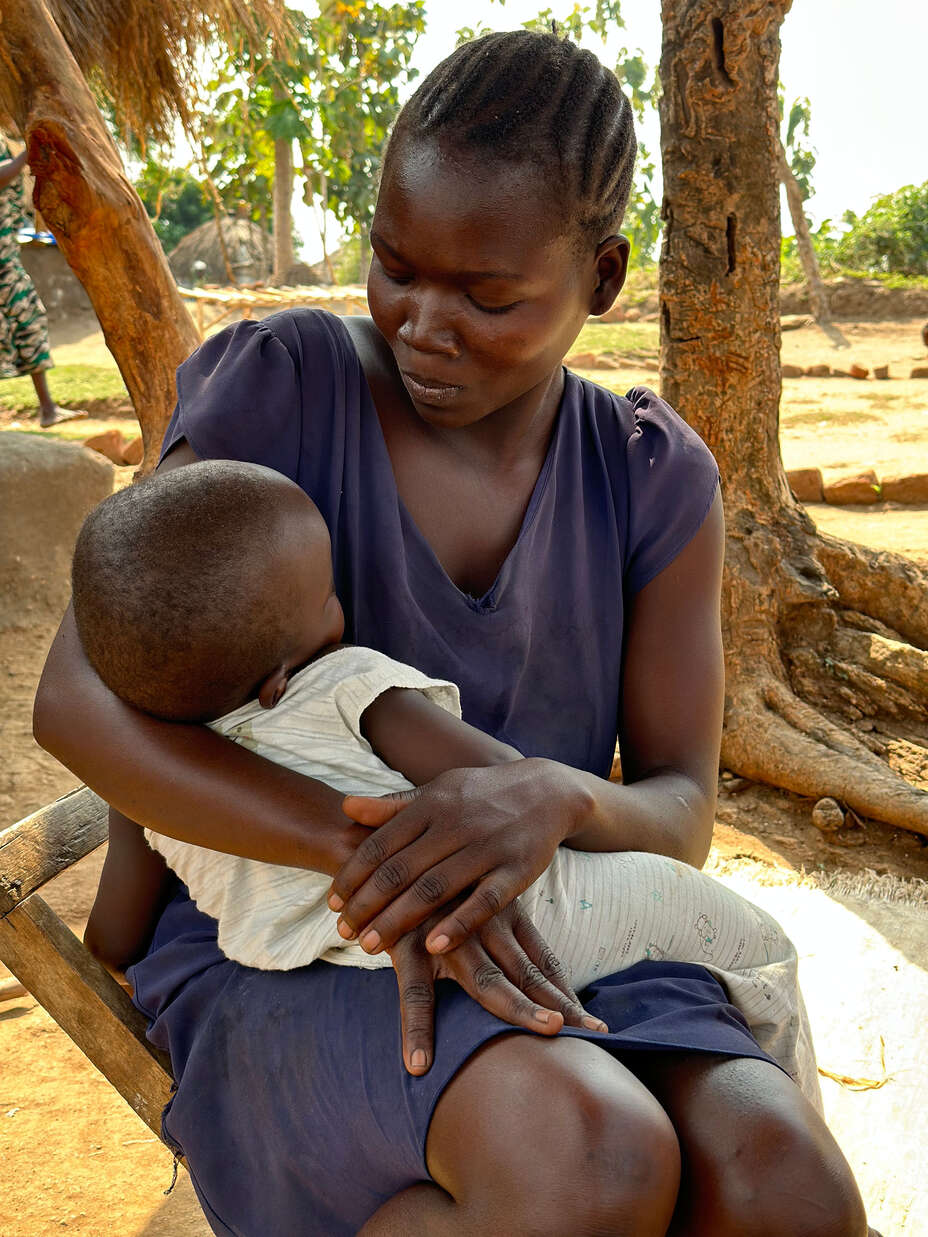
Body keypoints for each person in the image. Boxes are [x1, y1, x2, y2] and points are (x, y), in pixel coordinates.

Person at [35, 30, 869, 1237]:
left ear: (603, 277)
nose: (423, 323)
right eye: (395, 268)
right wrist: (375, 861)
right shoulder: (288, 384)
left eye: (487, 296)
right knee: (589, 1160)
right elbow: (77, 699)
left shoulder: (647, 476)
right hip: (300, 939)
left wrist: (548, 797)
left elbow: (681, 809)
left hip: (559, 919)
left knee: (787, 1188)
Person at [71, 459, 817, 1091]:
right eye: (327, 596)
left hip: (355, 981)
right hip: (542, 915)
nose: (340, 605)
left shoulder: (152, 789)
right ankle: (796, 1094)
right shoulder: (346, 686)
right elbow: (504, 787)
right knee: (760, 949)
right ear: (278, 681)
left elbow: (112, 935)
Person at [0, 131, 86, 427]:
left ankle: (48, 408)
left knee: (29, 320)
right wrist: (24, 156)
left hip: (5, 257)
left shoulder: (3, 139)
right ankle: (47, 408)